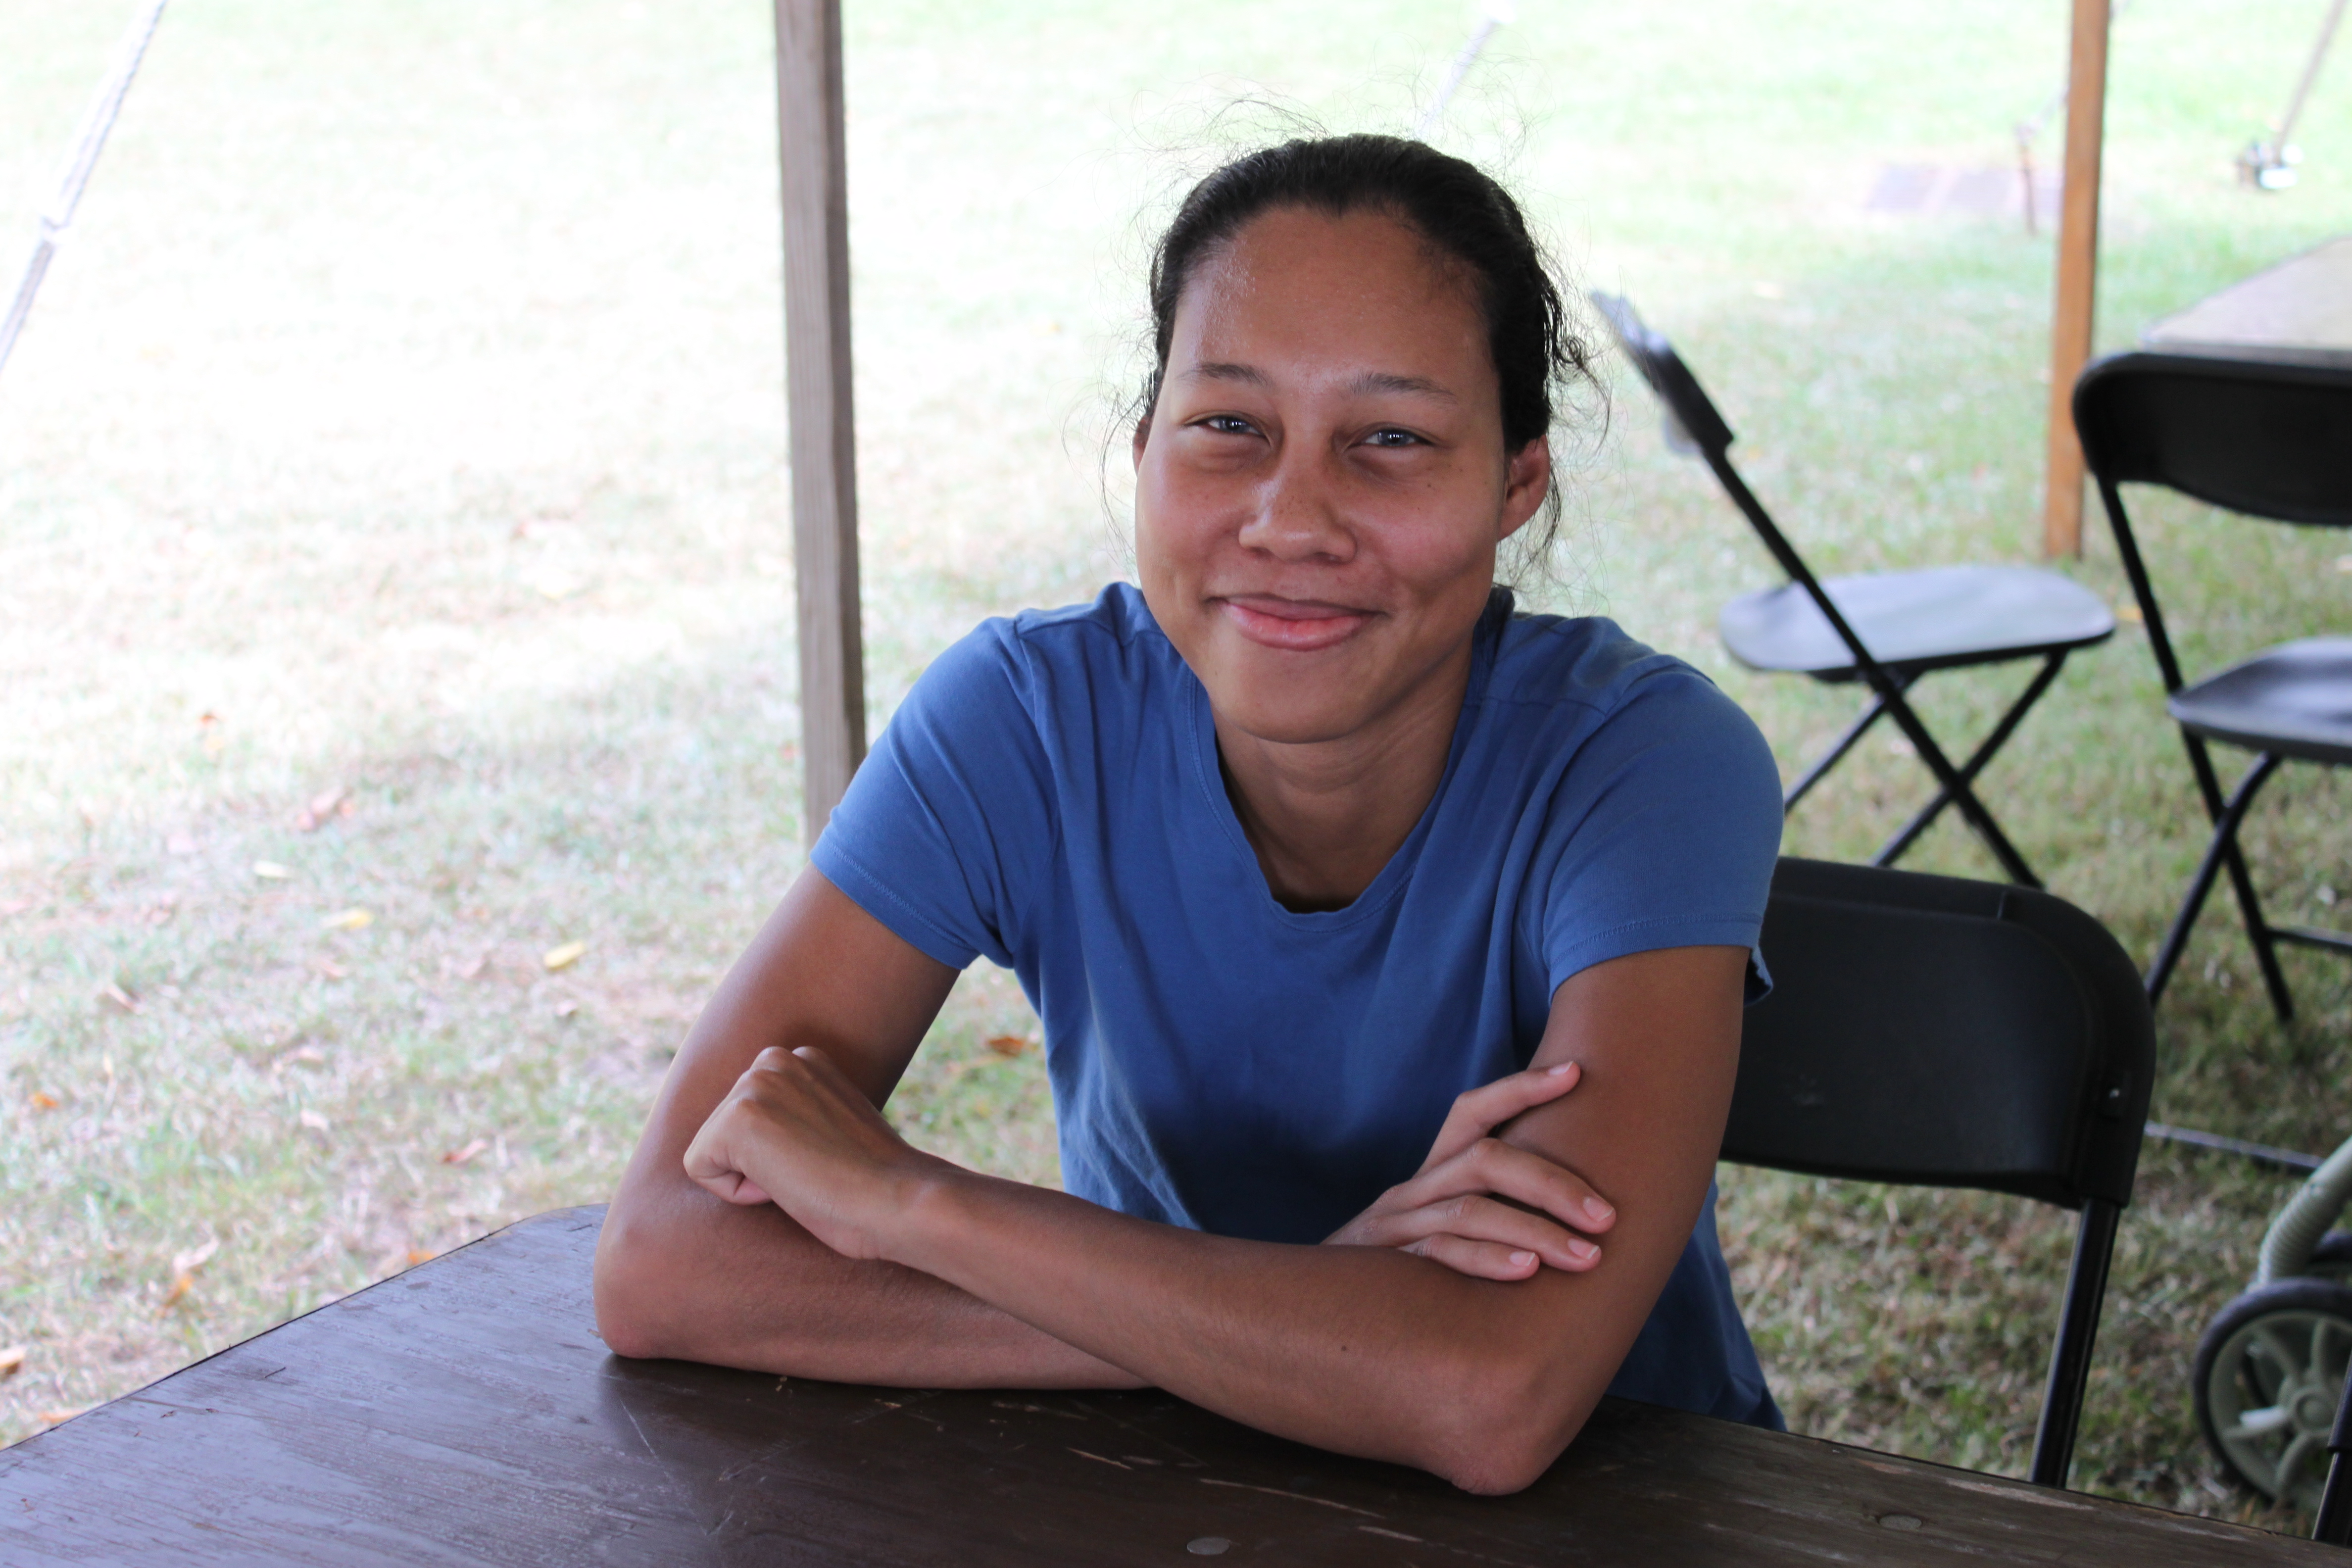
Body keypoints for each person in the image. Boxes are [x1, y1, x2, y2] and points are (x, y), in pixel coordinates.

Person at [594, 133, 1784, 1497]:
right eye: (1228, 427)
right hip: (1175, 1495)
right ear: (1144, 444)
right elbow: (665, 1262)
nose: (1292, 520)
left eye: (1392, 439)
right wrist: (1321, 1296)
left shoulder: (1643, 763)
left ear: (1518, 482)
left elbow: (1489, 1395)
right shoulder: (1027, 721)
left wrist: (912, 1206)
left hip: (1623, 1515)